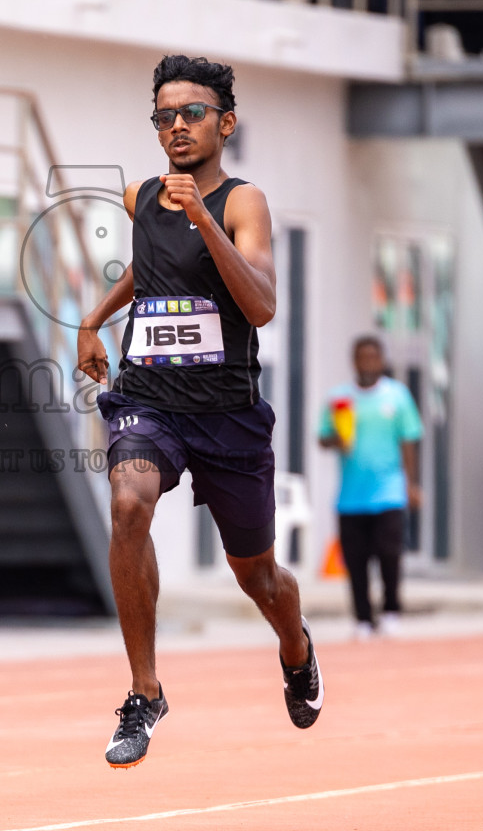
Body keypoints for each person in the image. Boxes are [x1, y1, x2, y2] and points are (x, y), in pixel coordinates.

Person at [75, 55, 321, 769]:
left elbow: (262, 305)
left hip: (228, 415)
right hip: (150, 398)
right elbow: (150, 272)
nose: (176, 127)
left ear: (226, 123)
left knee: (258, 577)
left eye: (191, 114)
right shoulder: (139, 197)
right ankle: (145, 691)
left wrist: (204, 218)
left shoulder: (244, 203)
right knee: (129, 503)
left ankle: (296, 647)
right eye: (163, 117)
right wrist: (93, 319)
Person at [319, 336, 423, 638]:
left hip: (389, 491)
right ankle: (363, 618)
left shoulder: (397, 396)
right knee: (356, 560)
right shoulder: (339, 398)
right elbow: (323, 437)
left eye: (373, 357)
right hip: (351, 496)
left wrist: (411, 484)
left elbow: (408, 441)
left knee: (390, 554)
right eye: (361, 357)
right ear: (354, 361)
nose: (367, 362)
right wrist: (336, 439)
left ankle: (391, 610)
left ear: (381, 361)